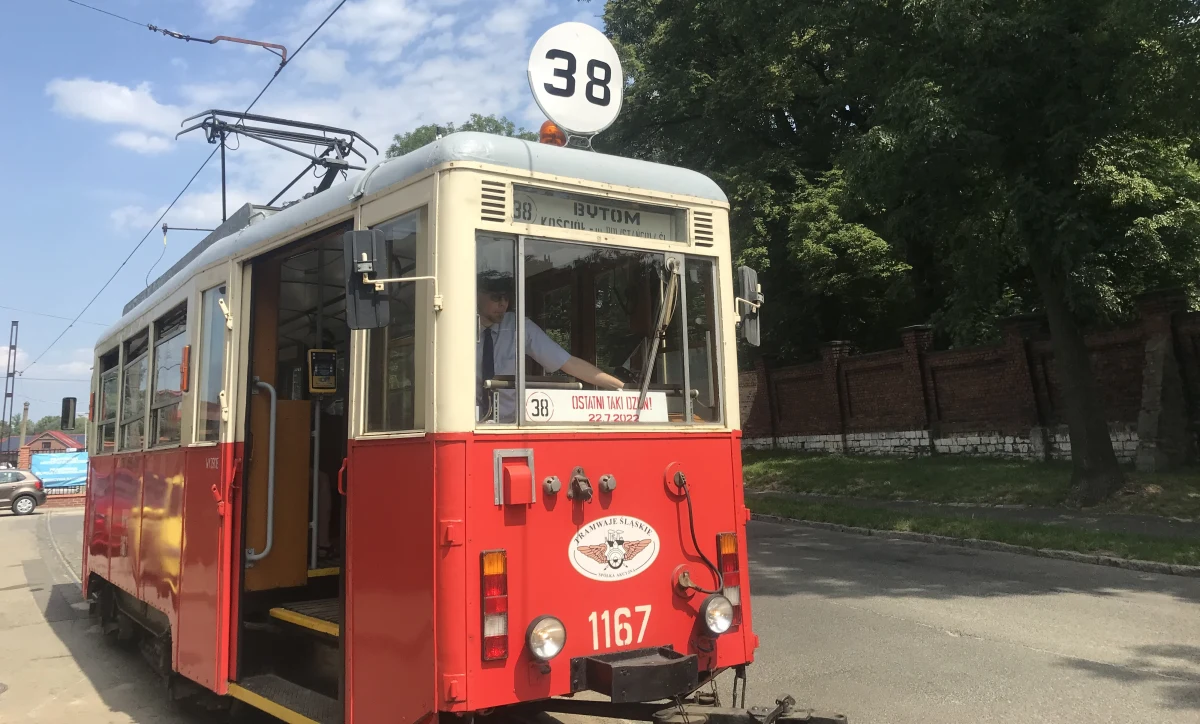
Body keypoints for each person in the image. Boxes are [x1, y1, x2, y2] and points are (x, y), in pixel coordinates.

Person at [477, 273, 623, 422]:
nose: (503, 304)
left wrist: (623, 388)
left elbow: (568, 363)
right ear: (477, 295)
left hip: (510, 424)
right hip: (465, 423)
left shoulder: (518, 326)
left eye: (506, 298)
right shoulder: (458, 326)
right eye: (496, 297)